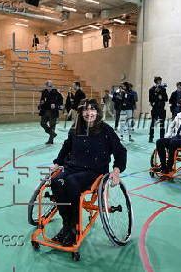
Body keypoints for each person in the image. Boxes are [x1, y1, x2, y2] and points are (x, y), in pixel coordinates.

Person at [50, 98, 127, 246]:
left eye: (92, 109)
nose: (88, 113)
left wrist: (116, 171)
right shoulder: (75, 129)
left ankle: (74, 228)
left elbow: (120, 151)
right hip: (73, 167)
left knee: (70, 183)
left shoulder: (105, 130)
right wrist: (57, 163)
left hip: (94, 171)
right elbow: (66, 147)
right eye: (85, 110)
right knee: (56, 181)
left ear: (97, 112)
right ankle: (67, 225)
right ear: (81, 112)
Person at [148, 76, 168, 142]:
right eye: (159, 80)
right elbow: (150, 99)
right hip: (155, 108)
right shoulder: (151, 89)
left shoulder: (163, 89)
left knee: (162, 124)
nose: (160, 82)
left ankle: (162, 138)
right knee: (152, 124)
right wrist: (156, 96)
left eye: (160, 80)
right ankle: (151, 137)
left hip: (162, 109)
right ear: (156, 81)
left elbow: (166, 99)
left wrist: (161, 97)